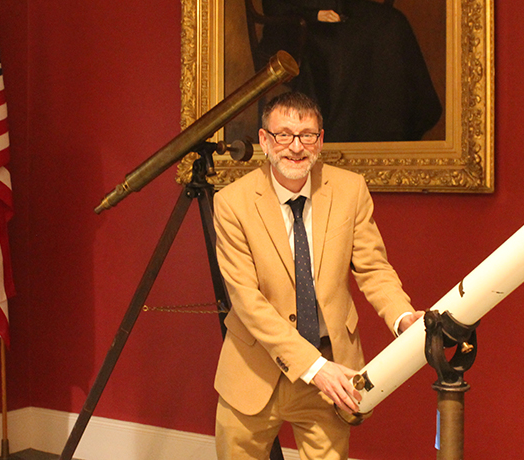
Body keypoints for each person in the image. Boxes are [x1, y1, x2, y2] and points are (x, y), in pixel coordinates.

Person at [213, 91, 423, 460]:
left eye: (307, 134)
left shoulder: (349, 189)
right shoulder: (232, 203)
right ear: (264, 140)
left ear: (320, 140)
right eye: (284, 135)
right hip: (254, 371)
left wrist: (403, 318)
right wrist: (313, 367)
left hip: (331, 371)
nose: (296, 146)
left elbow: (373, 268)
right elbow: (246, 300)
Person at [254, 0, 443, 142]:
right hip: (295, 23)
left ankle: (395, 129)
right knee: (348, 47)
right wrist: (315, 14)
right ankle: (344, 135)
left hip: (343, 10)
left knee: (393, 24)